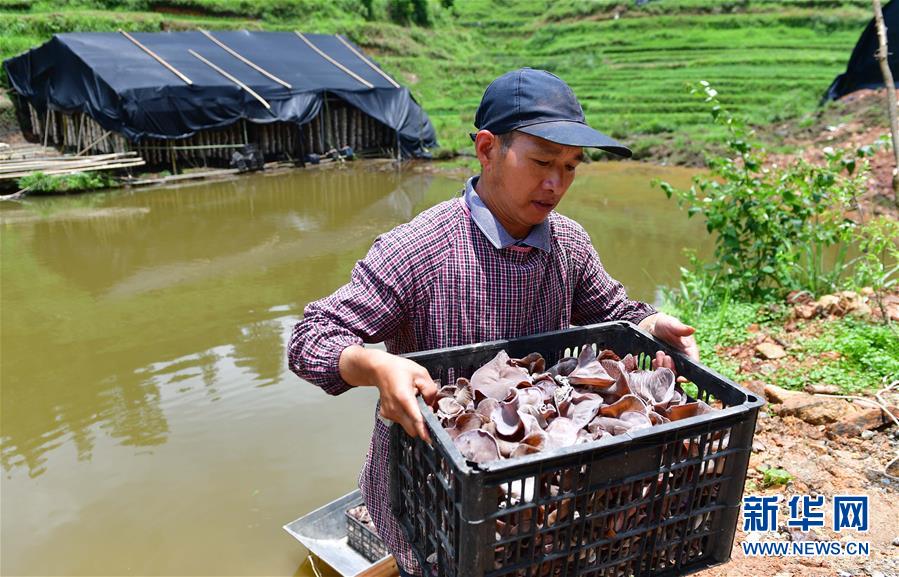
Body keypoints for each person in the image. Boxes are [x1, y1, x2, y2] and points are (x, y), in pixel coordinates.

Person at [288, 67, 699, 577]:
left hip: (540, 484)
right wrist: (375, 365)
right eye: (542, 161)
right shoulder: (418, 249)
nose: (556, 184)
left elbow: (615, 311)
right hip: (431, 488)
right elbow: (312, 338)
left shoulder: (568, 243)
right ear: (487, 149)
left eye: (570, 166)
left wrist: (654, 324)